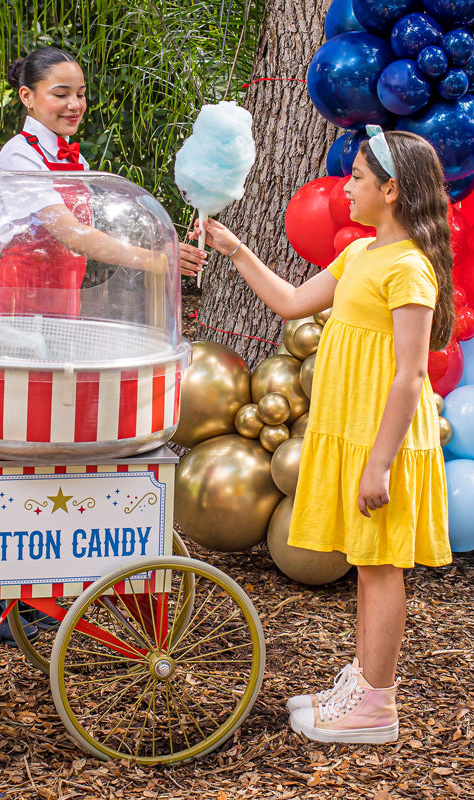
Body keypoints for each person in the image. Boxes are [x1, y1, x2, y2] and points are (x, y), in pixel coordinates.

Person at [198, 127, 453, 744]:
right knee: (366, 565)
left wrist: (381, 464)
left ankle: (378, 706)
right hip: (353, 434)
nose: (348, 188)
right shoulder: (361, 254)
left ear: (391, 191)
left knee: (382, 566)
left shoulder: (410, 269)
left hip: (383, 442)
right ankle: (365, 682)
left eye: (359, 178)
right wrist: (235, 250)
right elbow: (289, 301)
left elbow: (411, 374)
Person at [0, 46, 206, 644]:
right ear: (27, 98)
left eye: (79, 94)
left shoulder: (69, 156)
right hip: (15, 311)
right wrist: (157, 259)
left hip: (56, 311)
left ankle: (40, 585)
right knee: (14, 444)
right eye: (59, 94)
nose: (74, 105)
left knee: (50, 440)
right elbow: (70, 233)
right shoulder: (20, 155)